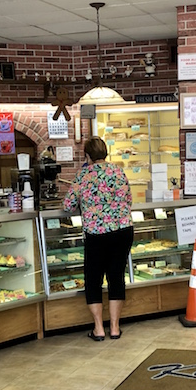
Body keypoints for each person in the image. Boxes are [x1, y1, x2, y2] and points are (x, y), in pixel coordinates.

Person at [63, 136, 133, 340]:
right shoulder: (118, 172)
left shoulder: (83, 175)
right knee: (116, 277)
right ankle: (115, 327)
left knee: (93, 280)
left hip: (96, 234)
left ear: (87, 155)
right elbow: (128, 200)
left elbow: (67, 206)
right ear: (106, 153)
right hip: (123, 231)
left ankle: (98, 328)